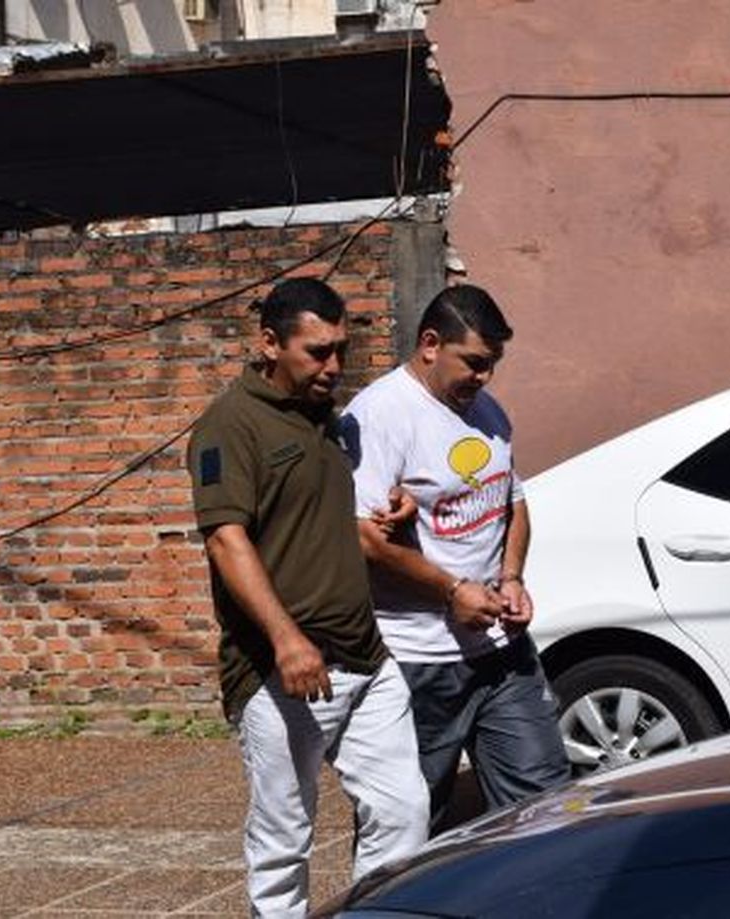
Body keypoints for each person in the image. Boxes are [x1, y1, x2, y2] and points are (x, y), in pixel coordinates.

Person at [186, 277, 429, 917]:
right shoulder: (229, 426)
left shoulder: (328, 421)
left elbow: (319, 518)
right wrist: (286, 638)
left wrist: (387, 517)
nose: (334, 366)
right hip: (282, 671)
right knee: (283, 839)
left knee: (404, 813)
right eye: (317, 352)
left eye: (340, 350)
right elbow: (225, 540)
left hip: (367, 658)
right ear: (269, 343)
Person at [342, 283, 569, 832]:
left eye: (492, 364)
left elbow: (512, 502)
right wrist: (450, 591)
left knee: (545, 803)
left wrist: (512, 577)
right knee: (409, 820)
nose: (484, 377)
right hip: (419, 657)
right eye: (473, 363)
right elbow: (364, 537)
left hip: (501, 652)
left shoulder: (487, 411)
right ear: (429, 344)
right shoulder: (380, 415)